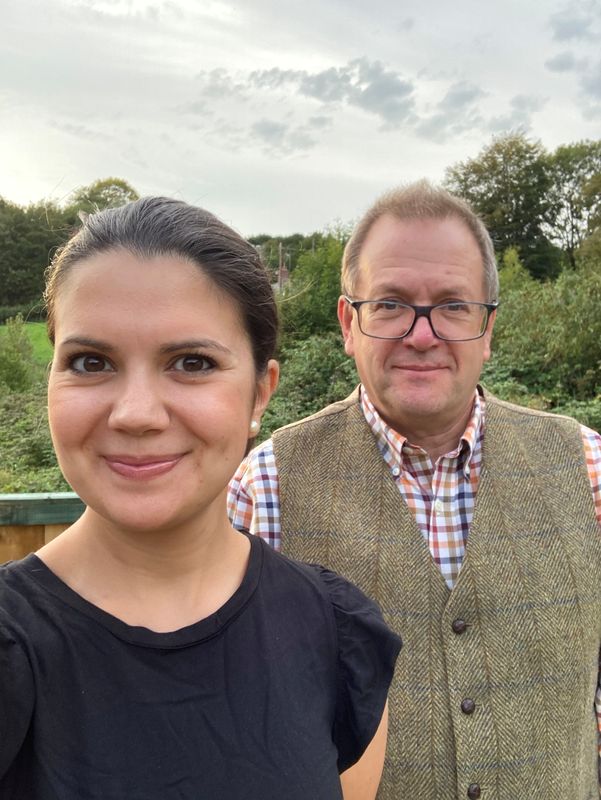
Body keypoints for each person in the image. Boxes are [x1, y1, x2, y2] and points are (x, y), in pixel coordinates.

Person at [0, 197, 401, 800]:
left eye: (191, 362)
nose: (135, 414)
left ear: (259, 395)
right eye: (91, 362)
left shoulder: (336, 637)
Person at [228, 180, 601, 800]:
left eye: (454, 306)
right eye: (392, 304)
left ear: (488, 329)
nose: (422, 335)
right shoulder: (264, 487)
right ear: (350, 322)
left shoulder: (588, 468)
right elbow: (238, 727)